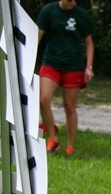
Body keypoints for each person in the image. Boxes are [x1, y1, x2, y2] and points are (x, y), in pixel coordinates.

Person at [37, 0, 94, 156]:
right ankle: (53, 139)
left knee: (69, 107)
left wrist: (88, 67)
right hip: (51, 62)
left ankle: (70, 146)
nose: (73, 3)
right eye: (70, 0)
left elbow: (89, 43)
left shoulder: (81, 15)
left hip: (74, 66)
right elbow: (37, 37)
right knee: (43, 99)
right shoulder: (48, 11)